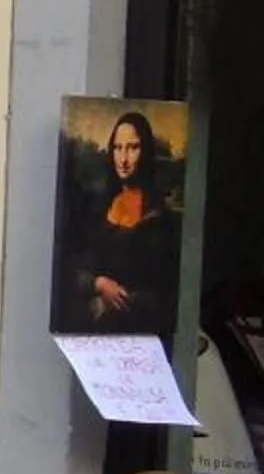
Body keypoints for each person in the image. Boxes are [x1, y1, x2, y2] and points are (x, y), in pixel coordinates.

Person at [63, 110, 180, 337]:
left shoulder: (160, 218)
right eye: (118, 148)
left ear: (145, 151)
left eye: (133, 148)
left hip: (139, 332)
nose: (124, 159)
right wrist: (97, 284)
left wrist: (128, 300)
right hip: (91, 331)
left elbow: (167, 291)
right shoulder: (97, 207)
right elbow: (71, 265)